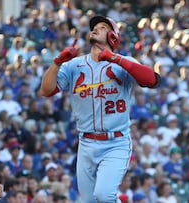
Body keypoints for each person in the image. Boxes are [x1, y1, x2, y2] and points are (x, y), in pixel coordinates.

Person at [40, 15, 160, 202]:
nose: (95, 29)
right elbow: (46, 90)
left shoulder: (124, 62)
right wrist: (57, 63)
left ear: (113, 36)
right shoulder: (74, 65)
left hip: (116, 142)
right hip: (86, 143)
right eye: (93, 27)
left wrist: (116, 59)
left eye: (102, 27)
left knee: (104, 195)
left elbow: (152, 80)